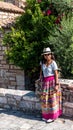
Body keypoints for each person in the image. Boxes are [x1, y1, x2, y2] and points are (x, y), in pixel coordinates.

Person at [40, 47, 62, 123]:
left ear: (51, 55)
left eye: (48, 54)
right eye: (45, 55)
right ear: (44, 56)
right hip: (45, 83)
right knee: (45, 100)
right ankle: (46, 115)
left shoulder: (53, 63)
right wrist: (40, 79)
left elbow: (56, 74)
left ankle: (52, 117)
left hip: (52, 83)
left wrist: (56, 84)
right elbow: (41, 72)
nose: (47, 56)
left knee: (52, 100)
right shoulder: (42, 63)